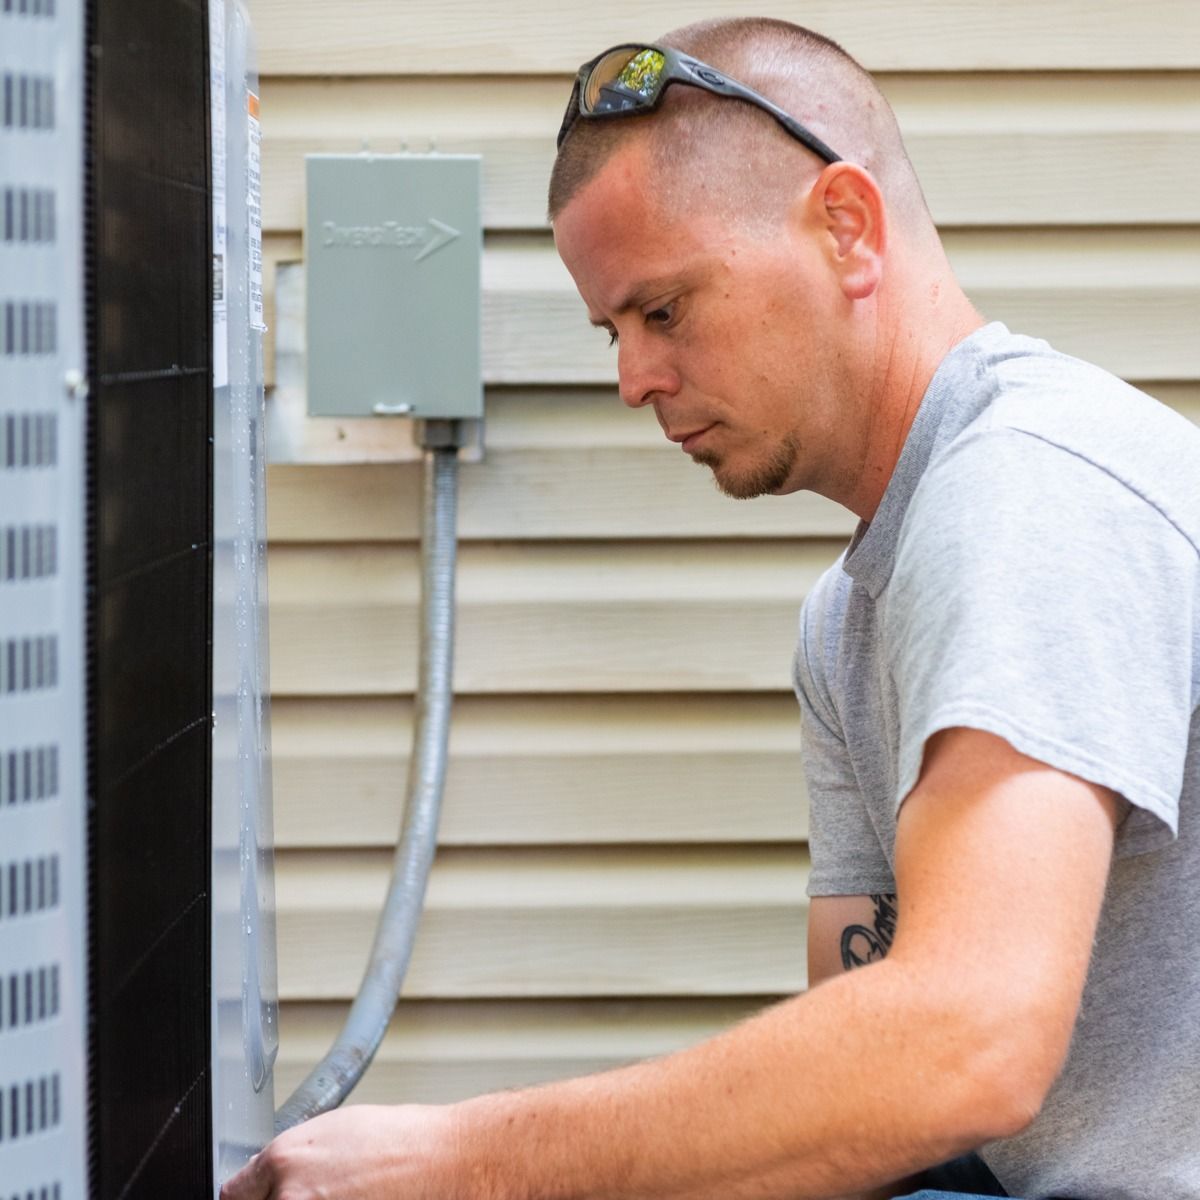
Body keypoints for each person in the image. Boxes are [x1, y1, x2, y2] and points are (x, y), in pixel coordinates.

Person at [223, 17, 1200, 1200]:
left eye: (666, 311)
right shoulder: (846, 614)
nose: (633, 378)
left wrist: (463, 1161)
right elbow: (862, 1094)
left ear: (846, 227)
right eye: (615, 331)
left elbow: (961, 1046)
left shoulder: (1033, 487)